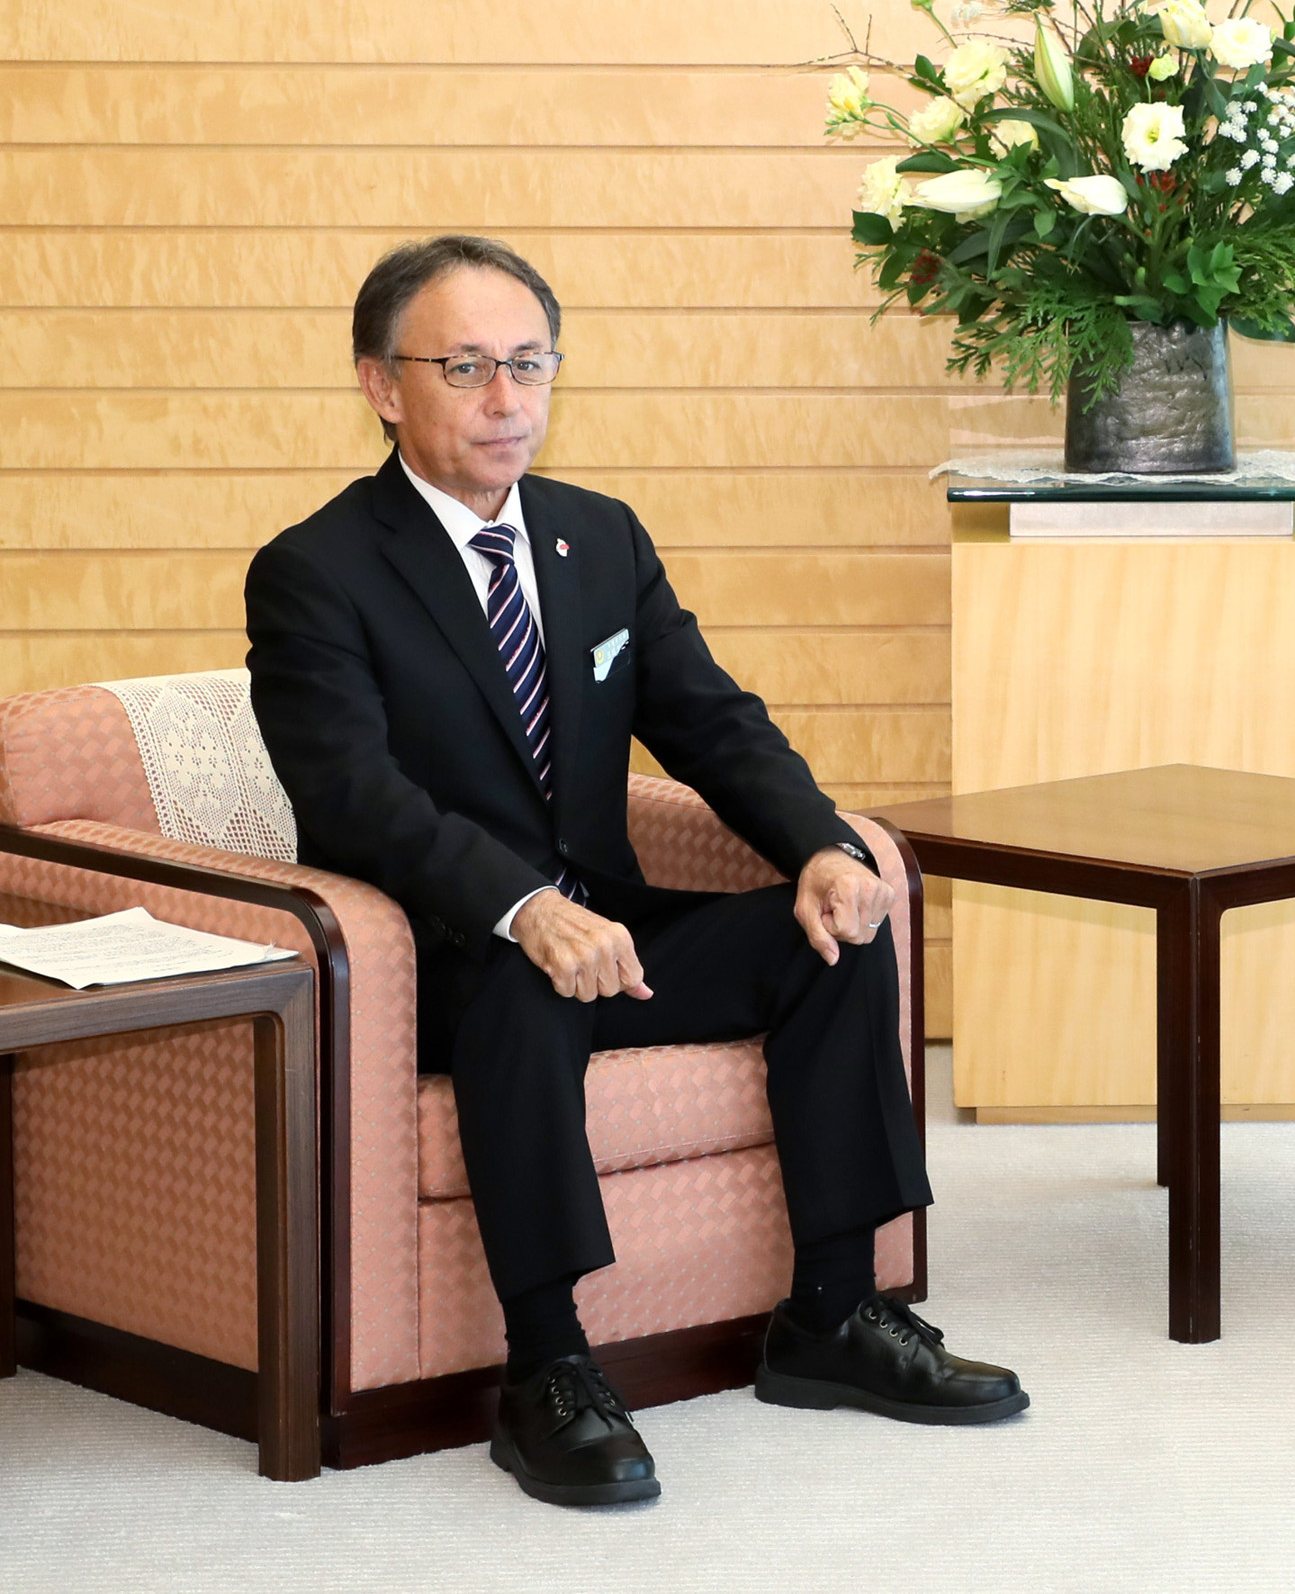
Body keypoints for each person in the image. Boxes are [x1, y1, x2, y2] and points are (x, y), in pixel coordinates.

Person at [247, 235, 1026, 1508]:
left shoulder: (597, 537)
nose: (508, 399)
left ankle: (834, 1312)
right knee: (523, 989)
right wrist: (522, 907)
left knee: (834, 933)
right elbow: (352, 794)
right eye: (468, 367)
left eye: (530, 364)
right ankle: (548, 1370)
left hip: (616, 918)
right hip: (444, 950)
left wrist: (821, 844)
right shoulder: (317, 569)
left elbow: (712, 718)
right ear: (383, 385)